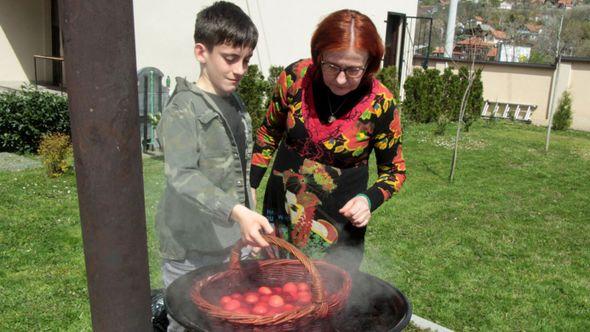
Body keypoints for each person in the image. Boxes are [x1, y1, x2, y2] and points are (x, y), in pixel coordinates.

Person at [250, 9, 406, 273]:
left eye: (354, 69)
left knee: (327, 298)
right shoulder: (294, 78)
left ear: (370, 65)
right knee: (274, 284)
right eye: (332, 66)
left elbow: (394, 172)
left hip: (337, 224)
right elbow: (268, 132)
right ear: (319, 54)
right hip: (282, 210)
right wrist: (250, 184)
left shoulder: (381, 104)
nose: (342, 78)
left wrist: (369, 200)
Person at [155, 2, 273, 330]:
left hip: (234, 244)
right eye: (230, 58)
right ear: (201, 52)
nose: (240, 70)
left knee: (234, 321)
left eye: (246, 60)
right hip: (193, 251)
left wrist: (251, 219)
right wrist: (238, 212)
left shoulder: (235, 103)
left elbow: (241, 170)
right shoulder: (183, 109)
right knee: (191, 324)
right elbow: (182, 175)